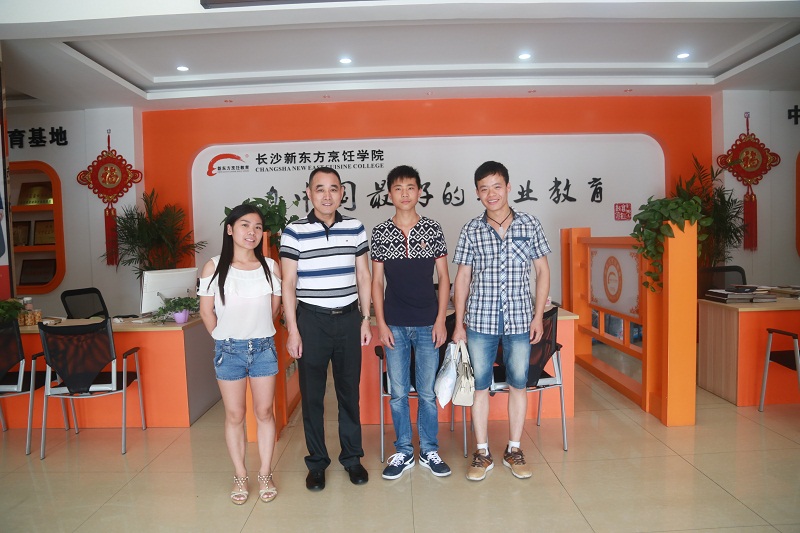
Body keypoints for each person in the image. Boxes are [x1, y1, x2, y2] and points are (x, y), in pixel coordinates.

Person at [452, 160, 551, 481]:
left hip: (520, 320)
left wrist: (538, 316)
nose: (491, 193)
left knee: (518, 385)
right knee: (480, 387)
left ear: (508, 187)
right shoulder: (471, 229)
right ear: (477, 193)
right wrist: (459, 324)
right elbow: (462, 278)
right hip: (480, 321)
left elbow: (542, 271)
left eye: (496, 186)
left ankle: (514, 449)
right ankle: (482, 453)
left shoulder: (530, 225)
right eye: (484, 189)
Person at [280, 166, 373, 491]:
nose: (327, 195)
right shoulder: (294, 231)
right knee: (313, 396)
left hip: (348, 319)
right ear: (309, 193)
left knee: (349, 393)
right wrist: (293, 330)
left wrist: (365, 318)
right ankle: (317, 462)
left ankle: (352, 458)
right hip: (311, 321)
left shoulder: (355, 227)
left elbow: (363, 275)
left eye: (334, 188)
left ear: (342, 193)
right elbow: (288, 283)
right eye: (320, 189)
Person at [198, 204, 283, 505]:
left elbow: (274, 309)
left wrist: (255, 331)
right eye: (245, 225)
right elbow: (206, 312)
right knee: (234, 415)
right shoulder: (213, 267)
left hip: (263, 349)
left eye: (258, 227)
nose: (252, 232)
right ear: (230, 229)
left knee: (264, 412)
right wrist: (223, 339)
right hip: (229, 350)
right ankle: (240, 475)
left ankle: (265, 473)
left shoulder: (270, 267)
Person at [371, 165, 451, 479]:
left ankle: (429, 449)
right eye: (398, 188)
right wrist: (381, 323)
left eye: (410, 187)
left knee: (427, 393)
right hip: (394, 323)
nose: (405, 194)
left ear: (419, 191)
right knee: (399, 393)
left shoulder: (432, 228)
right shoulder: (381, 232)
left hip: (428, 323)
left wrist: (441, 320)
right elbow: (377, 282)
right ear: (389, 194)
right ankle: (404, 451)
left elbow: (444, 278)